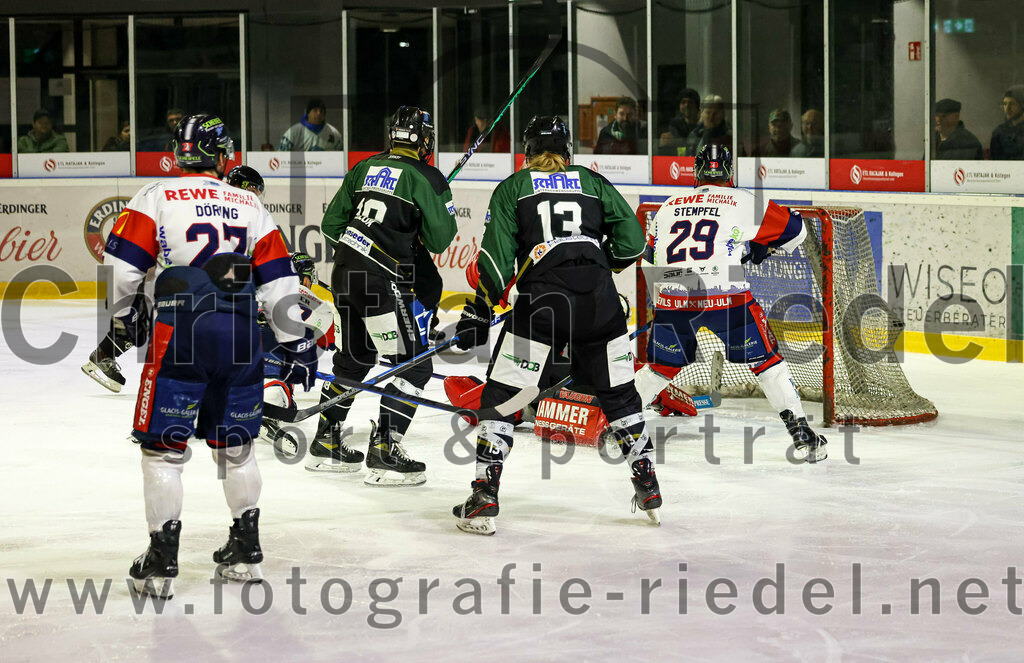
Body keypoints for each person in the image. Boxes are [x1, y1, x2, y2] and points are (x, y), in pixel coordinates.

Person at [105, 113, 315, 598]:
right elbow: (281, 283)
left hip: (181, 332)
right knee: (236, 448)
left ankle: (160, 562)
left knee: (164, 450)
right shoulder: (249, 202)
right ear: (221, 154)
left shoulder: (155, 197)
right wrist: (295, 342)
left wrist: (124, 312)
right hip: (241, 335)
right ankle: (244, 551)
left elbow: (120, 270)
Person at [451, 115, 660, 536]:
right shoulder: (593, 182)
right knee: (619, 394)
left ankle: (485, 494)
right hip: (601, 304)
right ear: (568, 152)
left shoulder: (514, 186)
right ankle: (647, 482)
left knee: (504, 395)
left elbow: (493, 258)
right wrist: (601, 266)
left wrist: (479, 306)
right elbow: (634, 243)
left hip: (541, 305)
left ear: (526, 152)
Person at [633, 143, 827, 464]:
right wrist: (759, 247)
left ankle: (618, 427)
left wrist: (668, 306)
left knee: (660, 369)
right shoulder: (741, 200)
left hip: (673, 297)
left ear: (696, 171)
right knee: (767, 363)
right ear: (730, 172)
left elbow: (649, 260)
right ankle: (803, 436)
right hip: (727, 298)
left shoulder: (668, 205)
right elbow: (797, 232)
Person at [318, 105, 457, 486]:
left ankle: (325, 440)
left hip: (344, 270)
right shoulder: (427, 176)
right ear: (425, 140)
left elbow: (331, 225)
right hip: (378, 278)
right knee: (414, 365)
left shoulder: (364, 167)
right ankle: (385, 450)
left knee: (356, 357)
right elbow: (441, 239)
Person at [658, 88, 700, 156]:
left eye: (690, 102)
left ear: (696, 106)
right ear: (679, 106)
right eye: (683, 102)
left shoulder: (702, 125)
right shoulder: (674, 125)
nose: (686, 105)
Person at [990, 85, 1024, 161]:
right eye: (1005, 104)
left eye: (1012, 104)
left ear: (1022, 105)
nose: (1007, 108)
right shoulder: (998, 133)